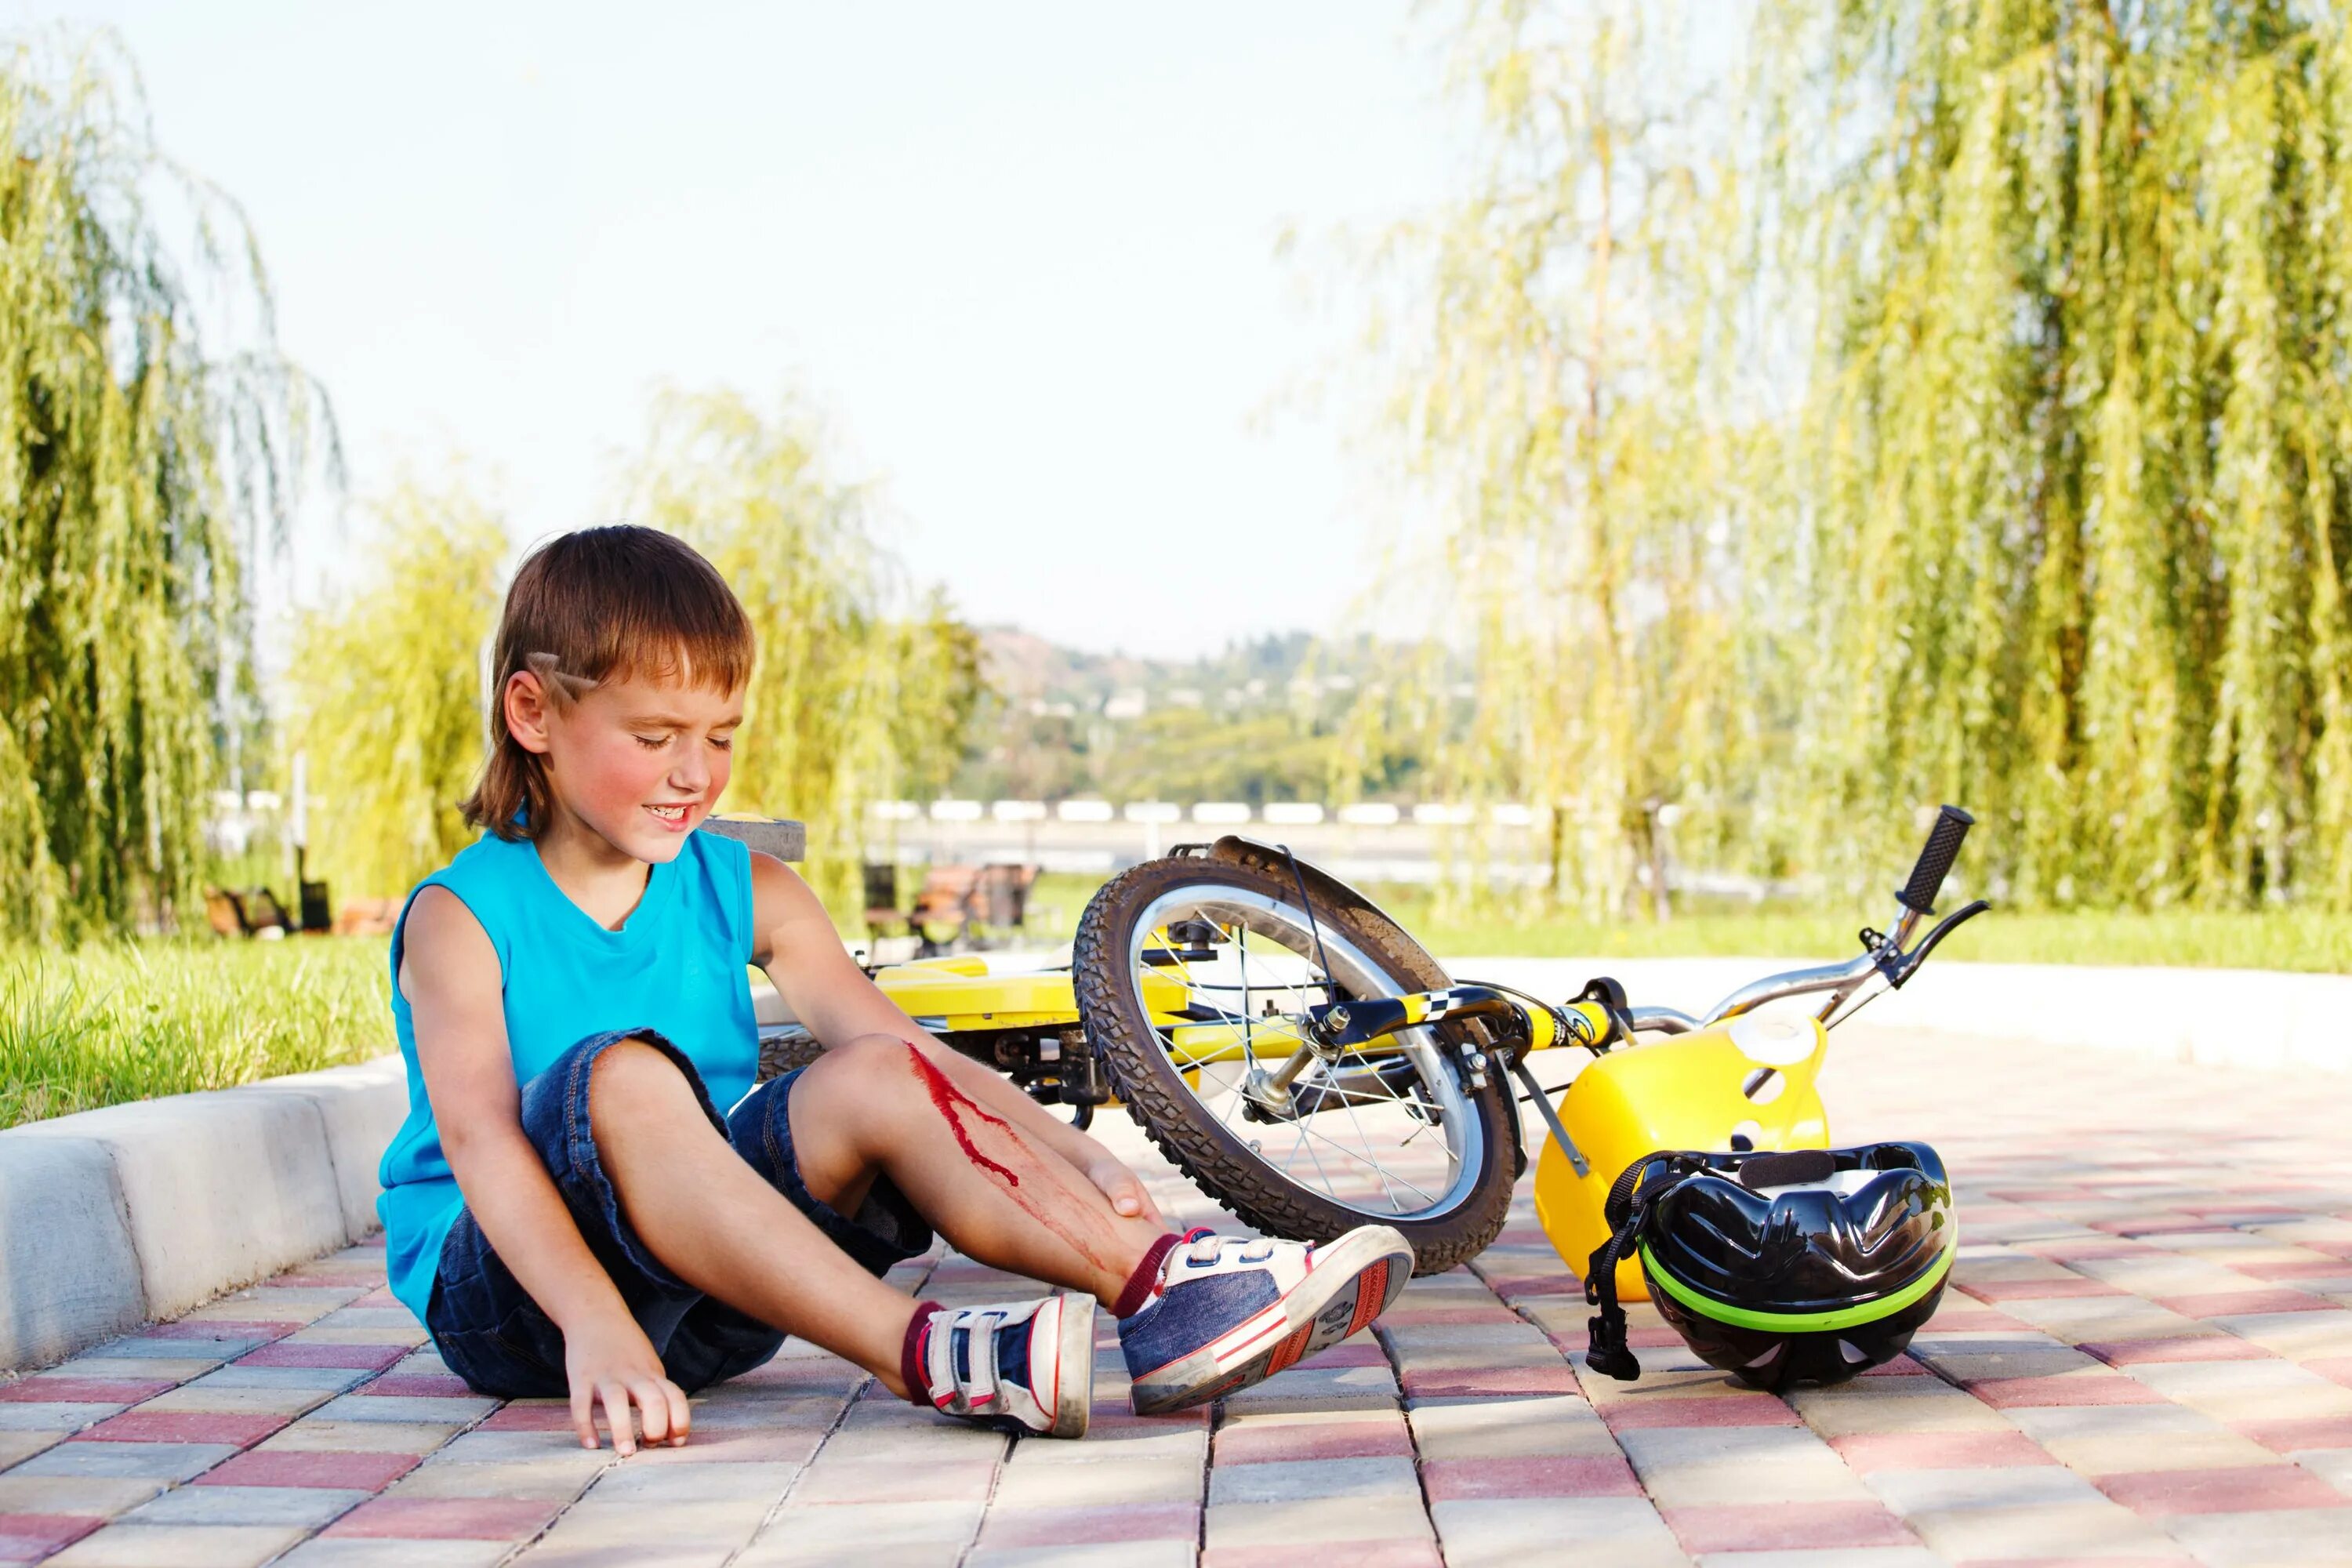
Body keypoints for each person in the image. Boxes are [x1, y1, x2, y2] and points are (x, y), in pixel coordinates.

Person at [378, 525, 1412, 1450]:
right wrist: (594, 1327)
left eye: (721, 736)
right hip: (520, 1304)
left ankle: (1166, 1290)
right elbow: (480, 1145)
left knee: (875, 1069)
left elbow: (913, 1061)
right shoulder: (461, 917)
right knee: (622, 1077)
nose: (695, 773)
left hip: (714, 1298)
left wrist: (1074, 1150)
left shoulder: (747, 886)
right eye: (655, 738)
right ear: (533, 713)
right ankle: (923, 1353)